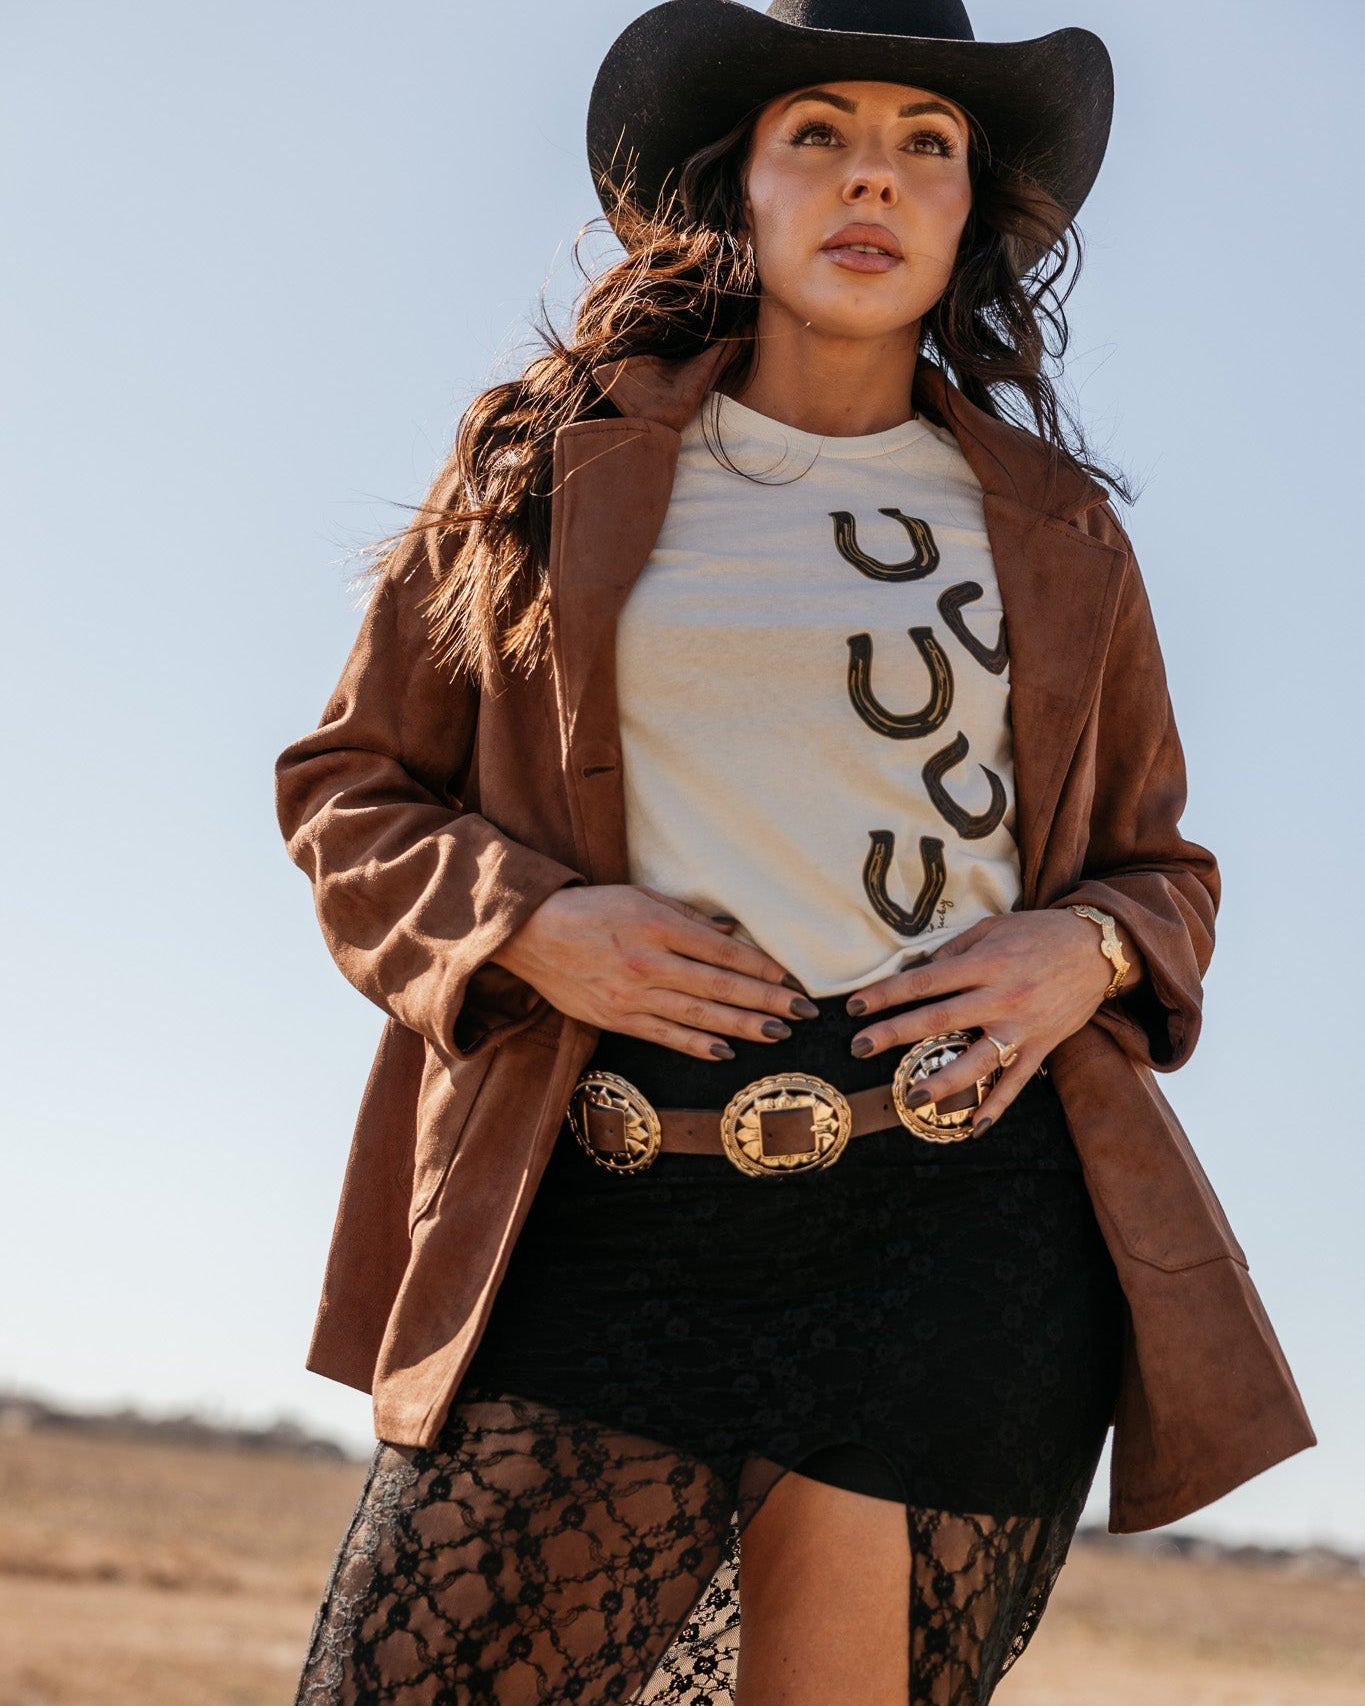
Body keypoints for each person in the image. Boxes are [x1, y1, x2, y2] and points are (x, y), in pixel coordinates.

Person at [276, 2, 1315, 1701]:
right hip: (609, 1197)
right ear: (736, 185)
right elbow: (348, 790)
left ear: (969, 211)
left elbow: (1158, 869)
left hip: (959, 1224)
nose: (870, 179)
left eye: (926, 145)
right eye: (816, 132)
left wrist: (1088, 949)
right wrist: (527, 922)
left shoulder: (1059, 531)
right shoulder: (544, 474)